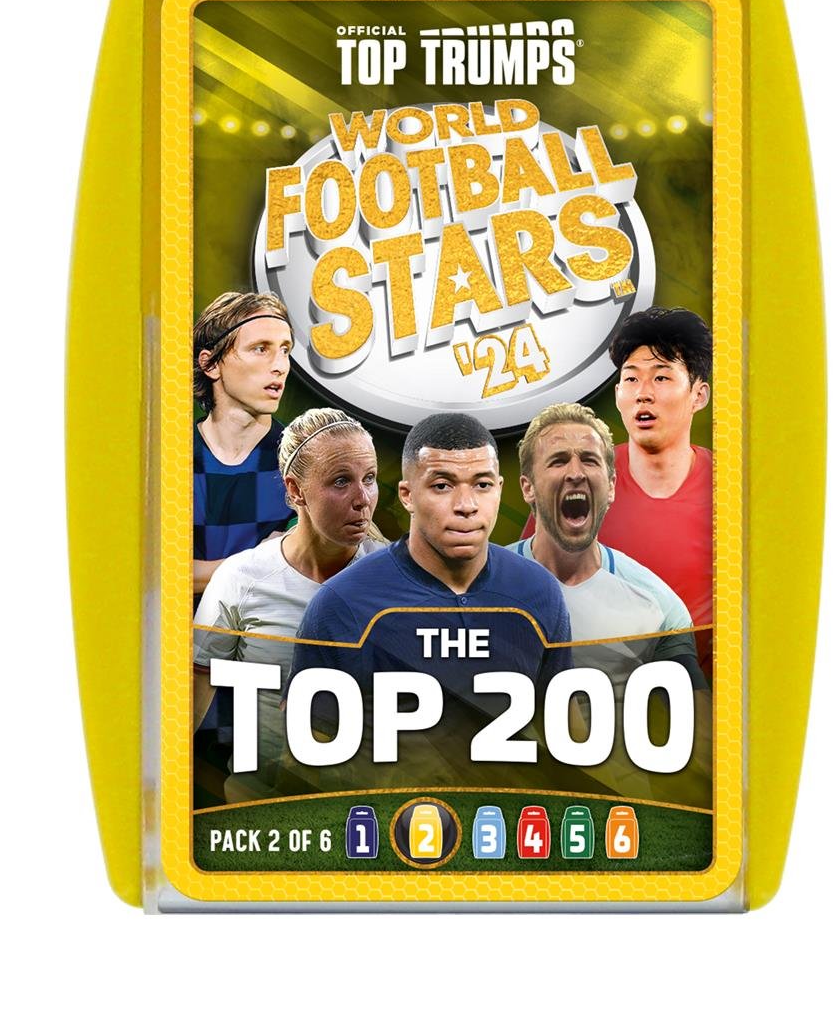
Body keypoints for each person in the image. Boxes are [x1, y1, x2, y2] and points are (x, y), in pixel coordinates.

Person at [289, 412, 572, 784]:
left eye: (482, 484)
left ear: (501, 489)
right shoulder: (343, 603)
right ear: (407, 495)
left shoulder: (539, 592)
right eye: (442, 486)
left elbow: (565, 735)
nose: (466, 504)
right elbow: (303, 757)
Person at [514, 400, 710, 799]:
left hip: (614, 814)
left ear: (612, 487)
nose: (575, 472)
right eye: (558, 461)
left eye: (589, 460)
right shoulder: (474, 587)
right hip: (505, 812)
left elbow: (702, 737)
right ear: (527, 487)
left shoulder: (658, 606)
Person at [193, 408, 387, 801]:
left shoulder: (399, 581)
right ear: (295, 490)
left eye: (369, 479)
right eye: (341, 481)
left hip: (366, 812)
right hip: (259, 807)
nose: (363, 499)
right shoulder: (241, 578)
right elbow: (192, 698)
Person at [523, 307, 713, 636]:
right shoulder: (577, 480)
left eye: (661, 377)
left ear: (699, 395)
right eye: (631, 378)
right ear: (617, 394)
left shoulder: (731, 488)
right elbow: (525, 583)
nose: (643, 393)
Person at [192, 291, 295, 597]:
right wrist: (255, 563)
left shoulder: (303, 462)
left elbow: (304, 572)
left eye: (285, 350)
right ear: (211, 364)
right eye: (261, 349)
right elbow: (153, 573)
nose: (280, 365)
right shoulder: (168, 458)